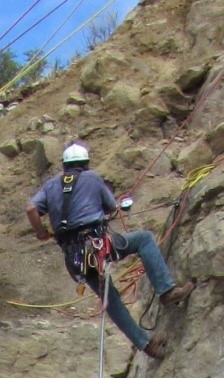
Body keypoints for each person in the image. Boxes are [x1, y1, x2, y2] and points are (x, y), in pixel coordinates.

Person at [27, 143, 194, 358]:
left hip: (74, 258)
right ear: (85, 164)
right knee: (143, 239)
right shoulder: (92, 178)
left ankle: (145, 344)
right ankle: (166, 291)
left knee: (109, 296)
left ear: (64, 166)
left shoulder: (50, 186)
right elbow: (112, 208)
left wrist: (41, 232)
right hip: (96, 246)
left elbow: (31, 208)